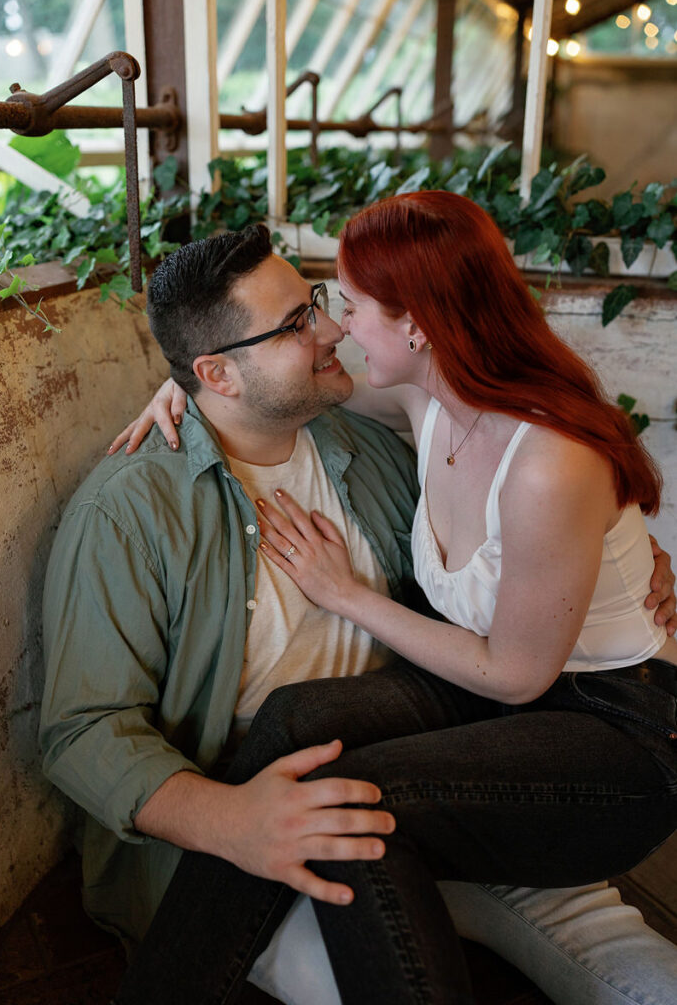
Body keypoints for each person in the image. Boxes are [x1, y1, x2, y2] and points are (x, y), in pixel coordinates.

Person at [98, 220, 677, 1005]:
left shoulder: (545, 463)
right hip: (500, 683)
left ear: (420, 324)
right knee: (296, 719)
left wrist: (349, 598)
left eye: (345, 303)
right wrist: (191, 381)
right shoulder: (423, 394)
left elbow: (513, 675)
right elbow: (266, 382)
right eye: (318, 307)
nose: (335, 325)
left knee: (350, 807)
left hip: (612, 723)